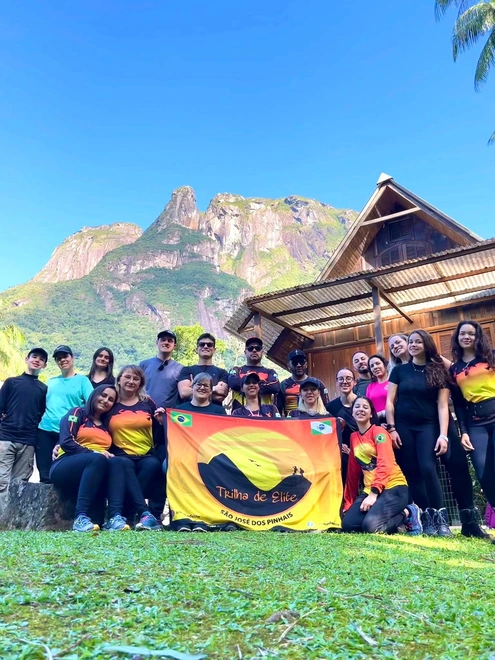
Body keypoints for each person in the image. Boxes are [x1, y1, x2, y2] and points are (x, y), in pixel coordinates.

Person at [386, 330, 452, 536]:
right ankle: (426, 518)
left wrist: (443, 435)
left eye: (418, 342)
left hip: (428, 426)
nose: (413, 345)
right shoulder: (399, 371)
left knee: (428, 468)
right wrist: (392, 428)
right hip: (403, 426)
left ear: (426, 345)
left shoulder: (438, 370)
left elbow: (443, 405)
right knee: (412, 471)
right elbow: (390, 402)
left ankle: (441, 519)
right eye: (411, 342)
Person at [49, 385, 130, 532]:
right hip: (65, 464)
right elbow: (66, 441)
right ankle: (80, 518)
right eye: (103, 395)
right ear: (94, 394)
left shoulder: (107, 425)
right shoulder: (77, 412)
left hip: (95, 469)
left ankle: (114, 517)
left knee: (118, 461)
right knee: (97, 459)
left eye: (111, 399)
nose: (106, 400)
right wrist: (94, 452)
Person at [342, 396, 422, 535]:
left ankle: (408, 512)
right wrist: (348, 503)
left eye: (365, 407)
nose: (361, 409)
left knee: (371, 527)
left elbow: (385, 463)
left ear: (371, 414)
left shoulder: (379, 432)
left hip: (394, 487)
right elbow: (352, 473)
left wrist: (373, 494)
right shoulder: (353, 437)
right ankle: (383, 518)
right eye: (357, 406)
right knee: (348, 525)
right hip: (370, 489)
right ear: (352, 412)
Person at [108, 365, 164, 531]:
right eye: (127, 377)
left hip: (146, 454)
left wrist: (162, 422)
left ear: (140, 383)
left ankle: (126, 512)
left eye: (136, 378)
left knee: (153, 465)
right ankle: (144, 513)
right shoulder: (111, 402)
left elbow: (158, 432)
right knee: (124, 464)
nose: (131, 381)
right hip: (119, 454)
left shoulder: (147, 402)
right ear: (119, 379)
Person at [450, 321, 495, 518]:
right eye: (462, 334)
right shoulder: (455, 369)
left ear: (478, 337)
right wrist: (464, 432)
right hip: (475, 423)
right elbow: (459, 404)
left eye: (471, 333)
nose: (466, 337)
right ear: (457, 337)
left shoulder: (491, 357)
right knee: (483, 472)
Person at [0, 348, 48, 514]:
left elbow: (41, 412)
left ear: (44, 365)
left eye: (41, 359)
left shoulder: (43, 389)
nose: (37, 360)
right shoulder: (11, 382)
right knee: (2, 481)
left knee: (20, 483)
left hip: (28, 442)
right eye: (34, 356)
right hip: (6, 438)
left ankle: (11, 519)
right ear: (27, 359)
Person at [37, 345, 93, 484]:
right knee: (44, 473)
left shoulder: (82, 381)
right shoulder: (51, 382)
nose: (62, 360)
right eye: (58, 358)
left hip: (67, 432)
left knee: (62, 473)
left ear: (72, 358)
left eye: (65, 356)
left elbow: (92, 404)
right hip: (44, 430)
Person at [228, 337, 280, 412]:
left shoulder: (270, 372)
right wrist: (262, 383)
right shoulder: (236, 370)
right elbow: (233, 383)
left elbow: (275, 387)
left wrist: (246, 385)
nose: (254, 350)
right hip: (239, 415)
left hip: (265, 415)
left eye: (258, 348)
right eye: (250, 348)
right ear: (245, 352)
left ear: (262, 352)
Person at [178, 333, 229, 405]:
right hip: (189, 411)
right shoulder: (187, 370)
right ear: (196, 349)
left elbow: (220, 396)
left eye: (209, 345)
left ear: (214, 350)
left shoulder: (222, 372)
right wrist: (214, 389)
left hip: (213, 411)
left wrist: (193, 390)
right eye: (202, 344)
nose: (205, 346)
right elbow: (183, 393)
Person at [139, 330, 183, 409]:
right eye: (163, 340)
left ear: (174, 346)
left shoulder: (180, 369)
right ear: (157, 343)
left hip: (168, 414)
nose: (166, 342)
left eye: (170, 341)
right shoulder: (144, 365)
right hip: (144, 411)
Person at [277, 349, 327, 416]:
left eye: (301, 362)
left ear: (306, 364)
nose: (299, 365)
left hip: (314, 420)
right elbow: (278, 409)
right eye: (295, 362)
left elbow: (326, 406)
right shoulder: (283, 385)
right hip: (291, 420)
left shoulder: (318, 383)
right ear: (288, 365)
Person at [366, 355, 389, 422]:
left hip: (393, 420)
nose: (375, 367)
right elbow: (368, 407)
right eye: (372, 366)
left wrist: (382, 414)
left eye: (378, 363)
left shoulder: (393, 382)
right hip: (376, 422)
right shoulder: (370, 387)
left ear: (385, 365)